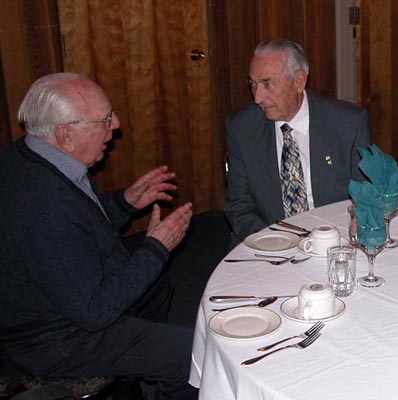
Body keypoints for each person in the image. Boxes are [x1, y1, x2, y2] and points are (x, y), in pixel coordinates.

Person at [0, 73, 197, 400]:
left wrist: (123, 203)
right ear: (66, 134)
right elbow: (94, 311)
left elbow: (76, 227)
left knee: (157, 287)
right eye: (105, 120)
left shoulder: (34, 157)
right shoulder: (47, 206)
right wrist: (156, 247)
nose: (116, 125)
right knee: (193, 355)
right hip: (55, 339)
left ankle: (135, 375)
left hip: (56, 300)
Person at [224, 39, 371, 240]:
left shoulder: (347, 124)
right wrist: (275, 240)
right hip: (269, 242)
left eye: (267, 84)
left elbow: (366, 199)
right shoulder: (242, 127)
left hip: (334, 240)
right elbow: (239, 206)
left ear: (299, 81)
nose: (257, 97)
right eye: (253, 85)